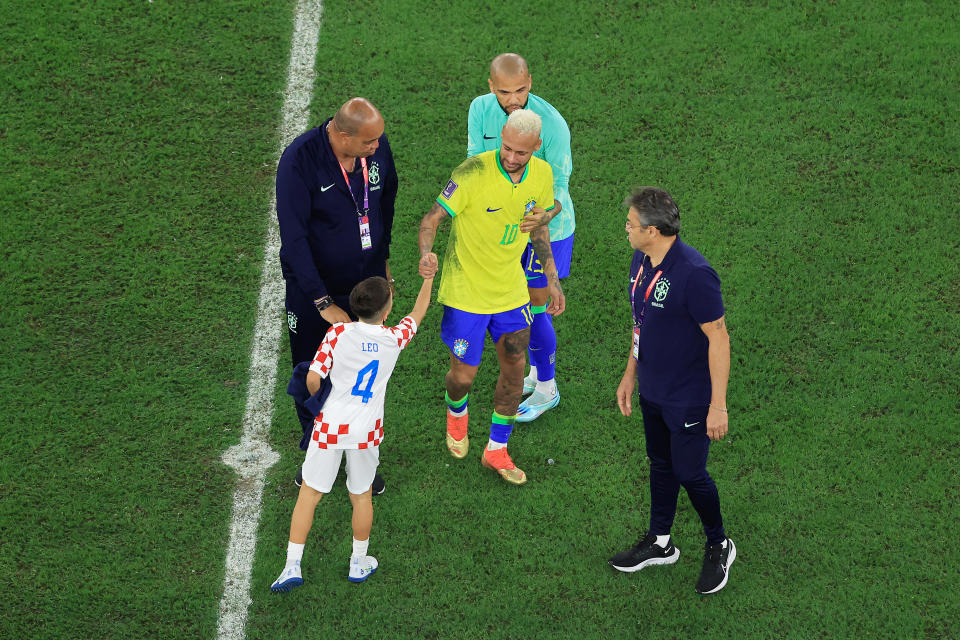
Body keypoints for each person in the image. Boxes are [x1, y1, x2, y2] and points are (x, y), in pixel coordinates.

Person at [418, 109, 564, 485]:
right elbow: (431, 219)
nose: (512, 157)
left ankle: (496, 449)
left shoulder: (543, 175)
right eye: (507, 147)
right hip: (465, 291)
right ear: (501, 136)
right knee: (463, 377)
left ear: (536, 147)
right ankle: (456, 414)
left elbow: (537, 230)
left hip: (510, 291)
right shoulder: (472, 172)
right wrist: (426, 253)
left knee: (515, 370)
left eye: (522, 152)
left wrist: (552, 279)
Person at [270, 274, 433, 592]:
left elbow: (313, 378)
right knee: (361, 496)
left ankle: (292, 566)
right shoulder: (394, 339)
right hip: (366, 432)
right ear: (386, 311)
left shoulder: (338, 333)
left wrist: (320, 406)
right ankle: (358, 562)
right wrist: (428, 279)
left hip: (330, 427)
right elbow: (418, 312)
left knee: (310, 494)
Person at [608, 187, 735, 594]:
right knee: (661, 464)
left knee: (689, 472)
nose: (625, 229)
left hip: (689, 396)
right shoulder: (641, 260)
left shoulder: (694, 274)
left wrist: (719, 406)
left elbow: (719, 338)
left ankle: (719, 542)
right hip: (653, 389)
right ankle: (661, 542)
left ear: (653, 230)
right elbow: (640, 322)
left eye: (630, 225)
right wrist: (631, 373)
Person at [276, 97, 397, 493]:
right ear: (342, 135)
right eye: (368, 142)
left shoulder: (376, 150)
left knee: (363, 373)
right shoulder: (299, 161)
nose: (377, 148)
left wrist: (383, 264)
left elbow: (386, 205)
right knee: (312, 372)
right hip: (317, 293)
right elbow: (294, 238)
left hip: (365, 288)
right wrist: (321, 302)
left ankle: (359, 456)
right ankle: (316, 449)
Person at [467, 53, 575, 422]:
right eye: (504, 92)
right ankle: (535, 374)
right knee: (518, 305)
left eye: (521, 90)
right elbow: (476, 165)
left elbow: (559, 186)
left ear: (531, 81)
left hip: (548, 230)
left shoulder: (553, 126)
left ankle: (547, 387)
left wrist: (545, 214)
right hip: (506, 227)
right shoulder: (480, 110)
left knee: (534, 309)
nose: (513, 100)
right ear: (490, 86)